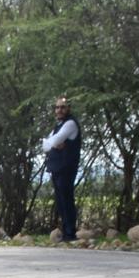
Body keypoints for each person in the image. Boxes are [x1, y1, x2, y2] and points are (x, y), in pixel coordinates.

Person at [41, 97, 81, 241]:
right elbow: (45, 145)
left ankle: (70, 233)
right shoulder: (58, 125)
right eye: (57, 107)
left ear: (68, 108)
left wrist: (53, 143)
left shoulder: (70, 123)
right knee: (60, 200)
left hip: (66, 167)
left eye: (62, 107)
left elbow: (53, 141)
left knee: (66, 199)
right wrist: (52, 143)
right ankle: (66, 232)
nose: (59, 110)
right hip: (57, 167)